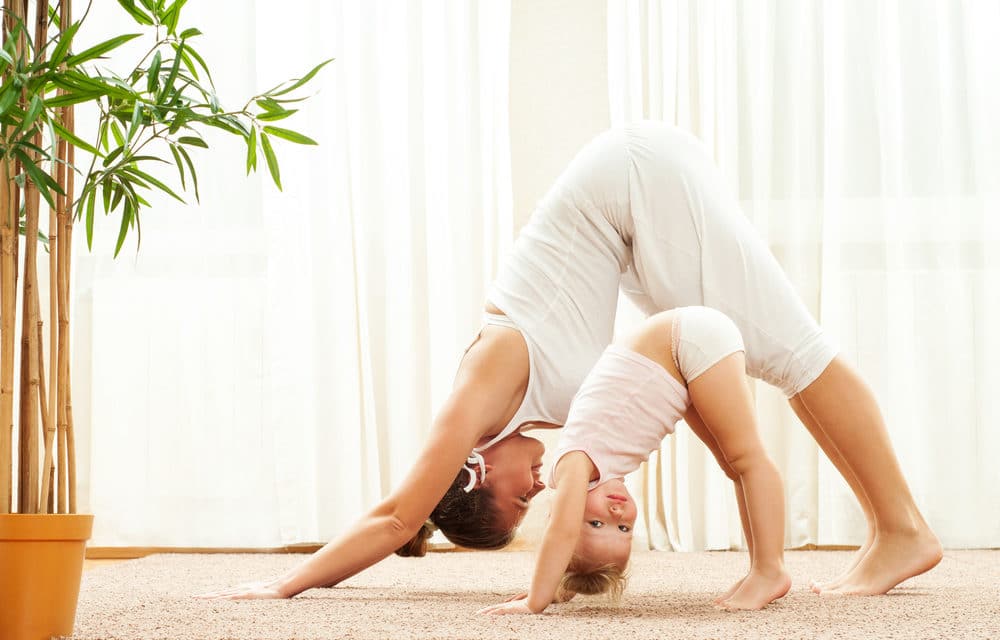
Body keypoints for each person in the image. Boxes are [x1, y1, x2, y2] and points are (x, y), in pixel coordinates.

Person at [198, 121, 939, 601]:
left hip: (632, 183)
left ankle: (902, 528)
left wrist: (286, 585)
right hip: (629, 208)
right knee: (759, 358)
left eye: (519, 499)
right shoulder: (538, 410)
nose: (536, 495)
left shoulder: (481, 386)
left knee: (790, 349)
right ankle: (885, 530)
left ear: (479, 470)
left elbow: (397, 516)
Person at [479, 306, 791, 614]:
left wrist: (537, 599)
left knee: (746, 459)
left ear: (562, 512)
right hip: (680, 357)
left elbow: (562, 534)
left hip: (682, 341)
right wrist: (564, 586)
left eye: (598, 523)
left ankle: (770, 570)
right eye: (624, 529)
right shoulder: (596, 467)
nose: (617, 513)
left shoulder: (574, 464)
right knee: (734, 465)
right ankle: (758, 569)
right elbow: (571, 539)